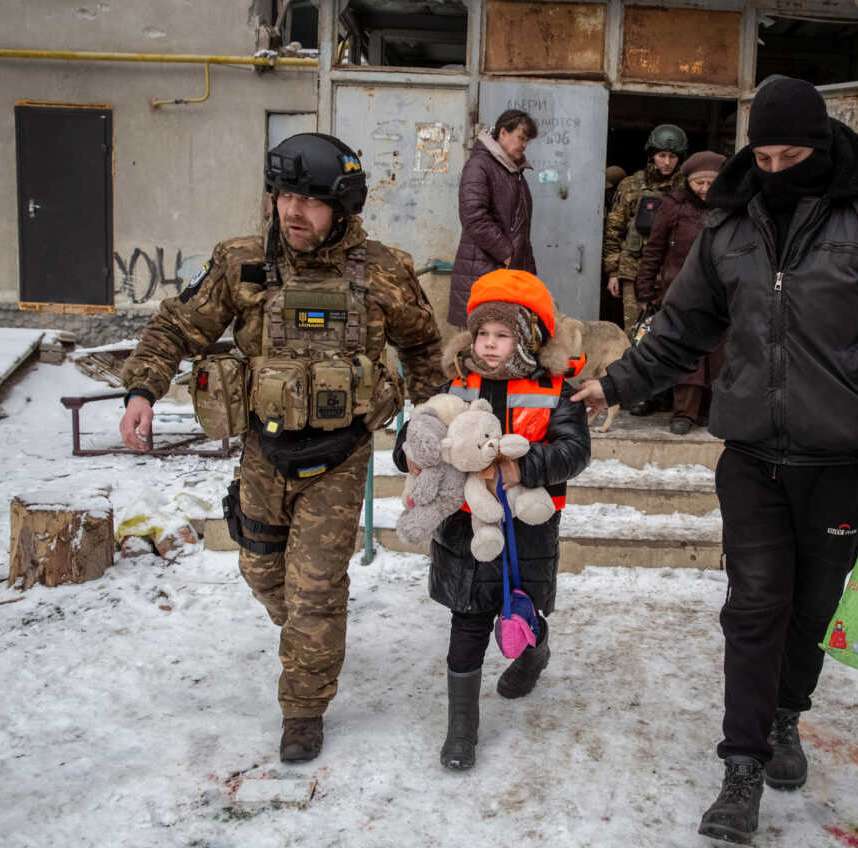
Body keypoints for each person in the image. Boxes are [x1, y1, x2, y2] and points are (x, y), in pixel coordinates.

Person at [571, 76, 858, 842]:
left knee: (813, 610)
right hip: (751, 453)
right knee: (754, 607)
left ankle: (788, 715)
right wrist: (618, 382)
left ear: (823, 147)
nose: (778, 170)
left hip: (841, 456)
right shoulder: (731, 226)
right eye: (766, 154)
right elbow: (683, 327)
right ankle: (742, 765)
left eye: (794, 155)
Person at [119, 133, 445, 764]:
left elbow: (426, 350)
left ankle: (303, 709)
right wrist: (142, 388)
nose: (294, 211)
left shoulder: (384, 270)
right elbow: (176, 325)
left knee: (317, 591)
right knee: (261, 569)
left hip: (341, 454)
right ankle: (306, 635)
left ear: (342, 206)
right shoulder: (240, 262)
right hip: (262, 451)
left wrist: (426, 423)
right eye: (284, 196)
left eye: (311, 200)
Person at [393, 269, 590, 771]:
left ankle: (533, 651)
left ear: (526, 338)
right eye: (482, 333)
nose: (489, 344)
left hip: (528, 525)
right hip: (463, 523)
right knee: (468, 618)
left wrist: (519, 466)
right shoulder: (453, 387)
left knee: (521, 607)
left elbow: (574, 451)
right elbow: (414, 440)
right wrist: (409, 456)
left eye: (502, 335)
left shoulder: (555, 390)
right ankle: (462, 730)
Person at [633, 150, 726, 435]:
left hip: (722, 292)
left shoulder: (732, 206)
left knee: (719, 354)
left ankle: (710, 409)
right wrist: (645, 288)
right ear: (688, 181)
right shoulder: (673, 206)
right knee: (686, 351)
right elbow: (654, 249)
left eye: (711, 182)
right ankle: (684, 412)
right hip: (680, 291)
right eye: (699, 183)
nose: (704, 189)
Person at [448, 110, 539, 327]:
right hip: (484, 271)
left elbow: (520, 230)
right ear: (503, 133)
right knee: (481, 347)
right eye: (521, 138)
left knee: (503, 346)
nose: (524, 145)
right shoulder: (481, 165)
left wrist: (527, 271)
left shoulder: (513, 171)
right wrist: (507, 254)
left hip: (505, 274)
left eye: (527, 140)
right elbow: (474, 216)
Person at [602, 124, 688, 337]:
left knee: (672, 333)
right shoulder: (630, 185)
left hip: (673, 274)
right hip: (634, 272)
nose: (667, 162)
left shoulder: (687, 188)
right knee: (635, 333)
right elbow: (614, 230)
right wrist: (613, 272)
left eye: (673, 156)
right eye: (662, 155)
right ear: (652, 155)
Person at [599, 165, 628, 327]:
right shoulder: (603, 207)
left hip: (619, 266)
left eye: (610, 190)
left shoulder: (622, 207)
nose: (607, 194)